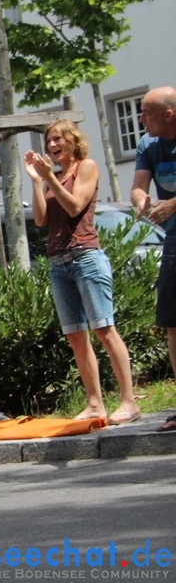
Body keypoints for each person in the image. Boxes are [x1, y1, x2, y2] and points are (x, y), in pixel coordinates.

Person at [24, 120, 140, 425]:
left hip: (86, 257)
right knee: (76, 336)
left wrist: (51, 177)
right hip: (58, 262)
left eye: (57, 139)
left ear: (72, 140)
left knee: (104, 329)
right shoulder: (53, 177)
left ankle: (129, 401)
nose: (51, 145)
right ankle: (94, 404)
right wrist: (39, 182)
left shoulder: (86, 167)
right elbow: (39, 220)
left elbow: (75, 207)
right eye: (48, 141)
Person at [130, 85, 176, 432]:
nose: (141, 119)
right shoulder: (149, 145)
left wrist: (173, 204)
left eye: (146, 113)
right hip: (173, 241)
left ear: (168, 115)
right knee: (172, 324)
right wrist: (140, 200)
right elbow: (139, 184)